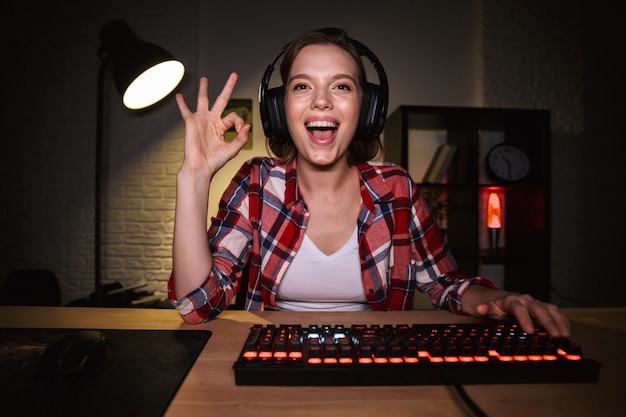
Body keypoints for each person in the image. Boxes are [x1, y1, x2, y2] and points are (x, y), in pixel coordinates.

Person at [168, 27, 570, 338]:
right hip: (271, 357)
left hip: (373, 360)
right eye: (302, 86)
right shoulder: (257, 183)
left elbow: (448, 285)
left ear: (367, 109)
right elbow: (196, 306)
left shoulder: (395, 188)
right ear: (279, 109)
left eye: (341, 86)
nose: (321, 100)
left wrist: (500, 298)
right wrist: (194, 177)